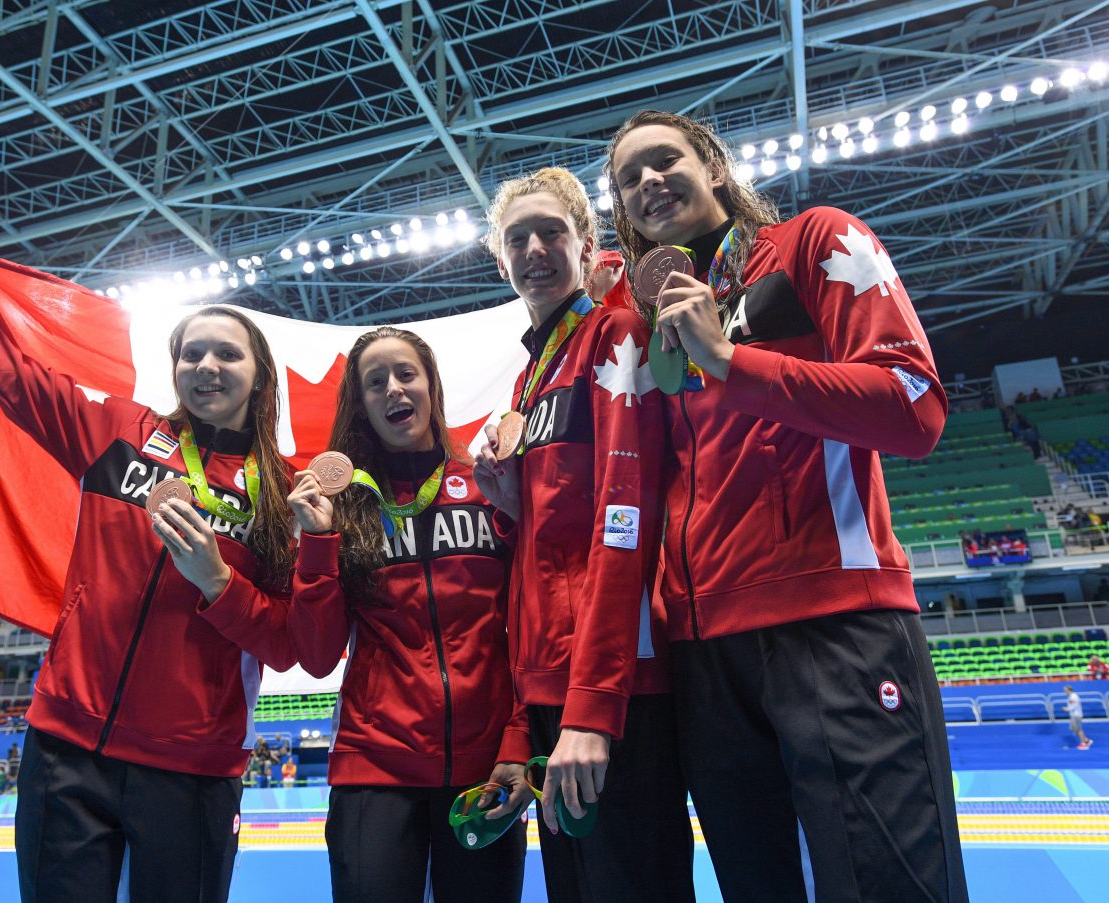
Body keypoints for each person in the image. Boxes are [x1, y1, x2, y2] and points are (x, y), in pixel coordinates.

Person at [606, 110, 968, 901]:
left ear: (714, 166)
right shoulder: (647, 328)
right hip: (706, 654)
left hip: (833, 621)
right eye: (628, 179)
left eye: (663, 160)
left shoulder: (814, 243)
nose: (647, 183)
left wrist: (732, 359)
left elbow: (914, 406)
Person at [0, 234, 299, 903]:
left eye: (228, 352)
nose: (207, 364)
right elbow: (14, 380)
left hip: (191, 764)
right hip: (66, 746)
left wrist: (217, 585)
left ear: (259, 375)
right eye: (192, 351)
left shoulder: (279, 493)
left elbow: (287, 642)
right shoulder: (121, 434)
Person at [474, 168, 694, 902]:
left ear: (587, 243)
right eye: (517, 240)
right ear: (499, 262)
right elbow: (536, 560)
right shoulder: (530, 379)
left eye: (552, 233)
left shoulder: (615, 336)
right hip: (550, 690)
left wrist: (594, 706)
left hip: (610, 689)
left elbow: (622, 521)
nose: (535, 249)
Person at [284, 327, 529, 903]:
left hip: (485, 770)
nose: (394, 389)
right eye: (375, 383)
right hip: (375, 771)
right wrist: (316, 546)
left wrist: (517, 741)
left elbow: (525, 632)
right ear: (362, 405)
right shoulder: (342, 508)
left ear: (431, 388)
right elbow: (318, 657)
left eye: (406, 374)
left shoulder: (488, 487)